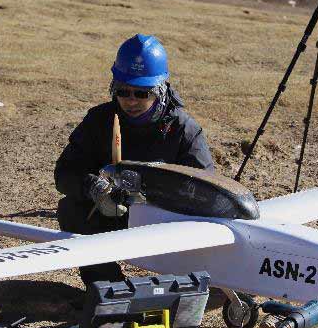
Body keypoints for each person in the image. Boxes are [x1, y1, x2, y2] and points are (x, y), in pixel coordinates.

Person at [54, 34, 214, 286]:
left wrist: (156, 195)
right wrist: (92, 188)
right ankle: (108, 287)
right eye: (123, 91)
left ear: (160, 90)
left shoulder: (184, 130)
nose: (131, 101)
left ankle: (181, 287)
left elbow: (206, 189)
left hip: (164, 223)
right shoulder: (99, 120)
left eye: (142, 93)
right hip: (111, 213)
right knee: (71, 209)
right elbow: (65, 172)